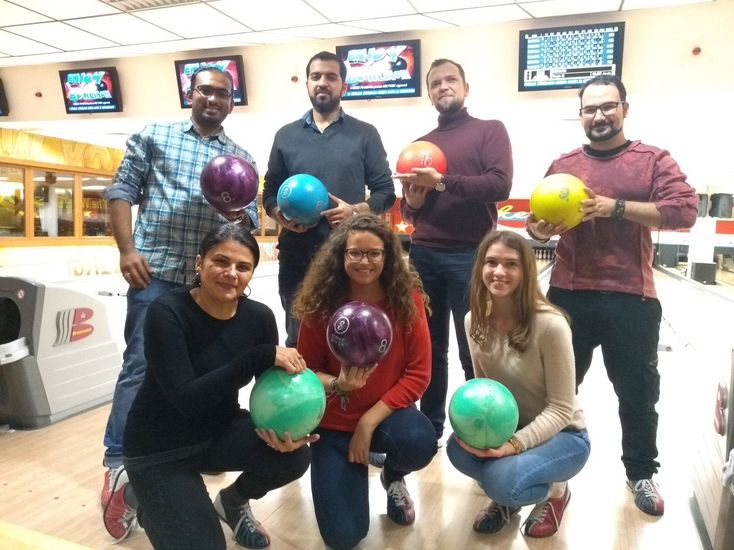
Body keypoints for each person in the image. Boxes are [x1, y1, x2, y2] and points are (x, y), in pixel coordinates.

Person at [526, 74, 698, 517]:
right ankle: (550, 477)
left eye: (608, 106)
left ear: (625, 108)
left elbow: (684, 211)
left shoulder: (652, 159)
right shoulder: (563, 164)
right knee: (555, 392)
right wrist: (536, 229)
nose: (599, 116)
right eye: (590, 109)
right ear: (580, 114)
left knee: (638, 393)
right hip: (567, 293)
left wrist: (613, 206)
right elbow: (536, 220)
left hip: (632, 296)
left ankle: (640, 472)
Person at [101, 66, 259, 539]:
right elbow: (121, 191)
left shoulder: (240, 156)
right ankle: (118, 464)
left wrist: (239, 214)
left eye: (223, 93)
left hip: (211, 284)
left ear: (232, 102)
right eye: (206, 90)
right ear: (191, 94)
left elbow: (248, 219)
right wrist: (127, 250)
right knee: (141, 366)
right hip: (158, 273)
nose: (213, 99)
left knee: (205, 368)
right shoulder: (154, 135)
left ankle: (192, 449)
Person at [120, 223, 316, 549]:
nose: (231, 273)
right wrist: (258, 357)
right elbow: (186, 398)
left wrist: (288, 429)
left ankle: (233, 501)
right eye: (220, 262)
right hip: (158, 450)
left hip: (217, 433)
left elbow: (272, 390)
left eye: (243, 266)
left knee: (294, 457)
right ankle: (138, 493)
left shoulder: (259, 317)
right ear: (200, 263)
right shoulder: (167, 312)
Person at [293, 214, 437, 549]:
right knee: (344, 537)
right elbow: (307, 370)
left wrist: (368, 424)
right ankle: (350, 468)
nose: (364, 261)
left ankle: (392, 475)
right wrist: (339, 385)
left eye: (374, 253)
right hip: (331, 424)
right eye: (355, 253)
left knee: (418, 440)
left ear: (387, 257)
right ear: (341, 256)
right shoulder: (321, 302)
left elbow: (419, 373)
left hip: (386, 419)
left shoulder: (406, 300)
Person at [397, 58, 513, 440]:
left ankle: (478, 426)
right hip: (424, 254)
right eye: (435, 83)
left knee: (473, 349)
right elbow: (411, 212)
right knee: (428, 349)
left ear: (465, 88)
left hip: (471, 256)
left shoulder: (489, 130)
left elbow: (499, 185)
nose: (443, 86)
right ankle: (430, 427)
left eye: (451, 80)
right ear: (429, 92)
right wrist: (412, 201)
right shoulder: (422, 145)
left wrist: (443, 182)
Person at [447, 230, 590, 538]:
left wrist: (512, 445)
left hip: (564, 435)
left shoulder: (551, 325)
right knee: (456, 450)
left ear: (526, 271)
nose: (499, 272)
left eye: (511, 264)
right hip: (509, 427)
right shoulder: (474, 321)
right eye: (491, 262)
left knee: (502, 481)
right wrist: (484, 436)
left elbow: (562, 408)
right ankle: (508, 492)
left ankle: (555, 493)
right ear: (480, 268)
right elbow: (484, 389)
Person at [263, 50, 395, 348]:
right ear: (307, 84)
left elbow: (386, 191)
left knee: (350, 338)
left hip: (349, 257)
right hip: (298, 257)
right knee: (300, 340)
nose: (323, 82)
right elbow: (270, 191)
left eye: (331, 77)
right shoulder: (285, 135)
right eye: (316, 76)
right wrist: (278, 214)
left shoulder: (365, 134)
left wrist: (356, 211)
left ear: (343, 87)